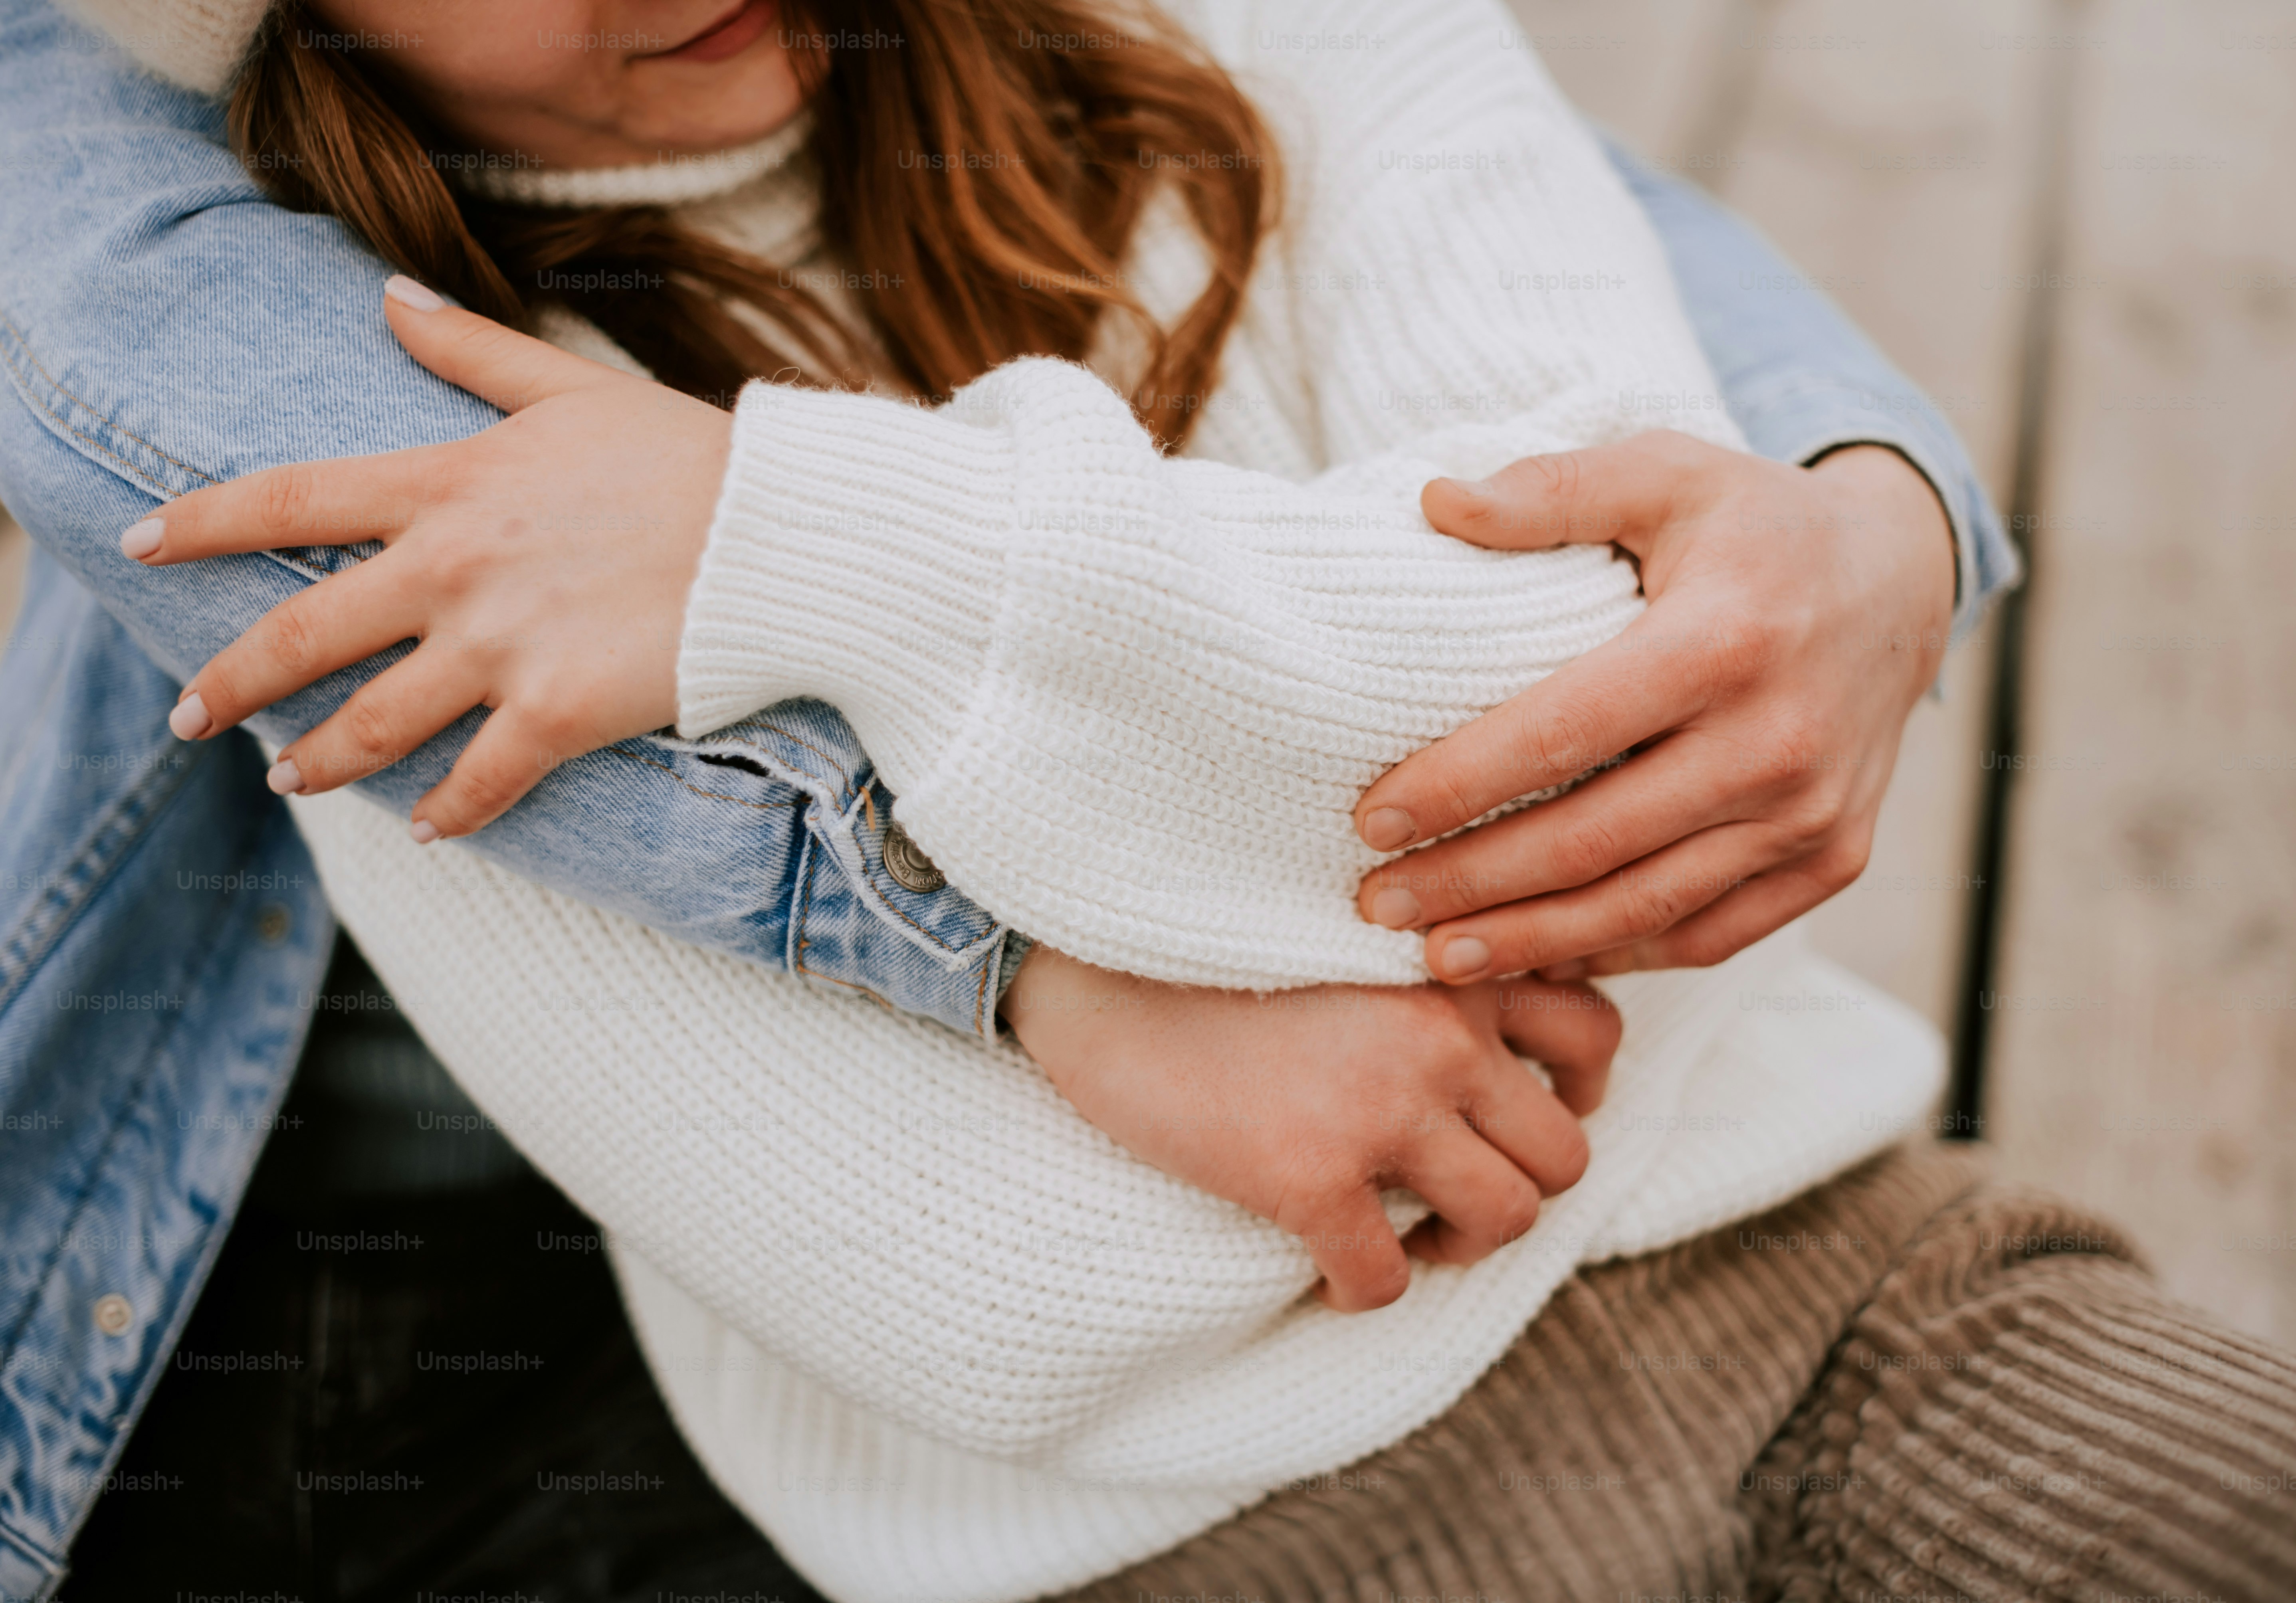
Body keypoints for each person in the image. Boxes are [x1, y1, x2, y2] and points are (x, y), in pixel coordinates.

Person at [2, 4, 2287, 1603]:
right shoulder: (424, 484)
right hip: (1199, 1550)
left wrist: (794, 537)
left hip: (1847, 1291)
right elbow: (976, 1298)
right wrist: (1325, 774)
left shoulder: (1276, 37)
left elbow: (1596, 649)